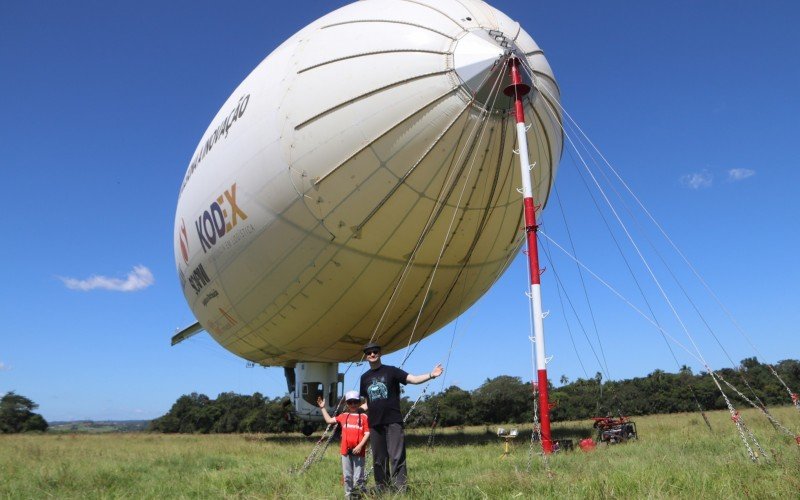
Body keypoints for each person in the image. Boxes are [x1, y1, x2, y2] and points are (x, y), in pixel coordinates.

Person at [359, 341, 443, 493]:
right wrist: (354, 410)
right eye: (368, 352)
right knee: (379, 460)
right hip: (375, 424)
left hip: (393, 421)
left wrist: (431, 375)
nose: (372, 354)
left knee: (397, 457)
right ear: (365, 356)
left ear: (380, 353)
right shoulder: (364, 378)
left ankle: (400, 491)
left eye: (375, 351)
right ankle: (382, 491)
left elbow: (413, 379)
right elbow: (367, 403)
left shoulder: (391, 371)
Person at [317, 391, 370, 499]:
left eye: (355, 402)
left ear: (359, 403)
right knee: (347, 477)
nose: (353, 405)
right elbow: (329, 420)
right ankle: (348, 497)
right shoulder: (343, 416)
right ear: (347, 404)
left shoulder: (364, 417)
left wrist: (360, 446)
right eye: (350, 402)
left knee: (358, 478)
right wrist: (322, 408)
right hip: (345, 452)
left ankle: (359, 496)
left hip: (359, 452)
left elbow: (367, 433)